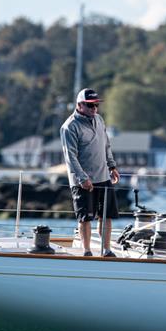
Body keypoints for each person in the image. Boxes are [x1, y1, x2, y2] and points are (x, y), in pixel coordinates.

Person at [60, 88, 120, 257]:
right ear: (79, 105)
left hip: (103, 177)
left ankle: (106, 250)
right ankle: (86, 251)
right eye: (90, 105)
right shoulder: (69, 127)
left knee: (106, 216)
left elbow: (106, 145)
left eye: (96, 105)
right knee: (85, 218)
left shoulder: (99, 120)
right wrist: (82, 178)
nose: (94, 109)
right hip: (83, 182)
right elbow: (70, 156)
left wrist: (112, 166)